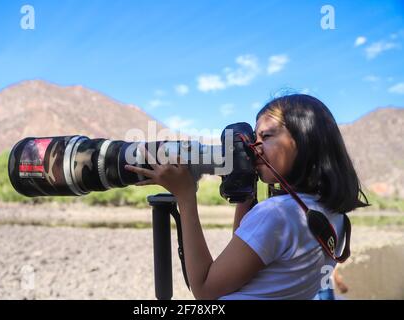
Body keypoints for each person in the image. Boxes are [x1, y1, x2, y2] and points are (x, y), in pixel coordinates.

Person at [124, 94, 368, 300]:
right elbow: (249, 257)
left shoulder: (277, 214)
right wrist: (244, 185)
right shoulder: (331, 213)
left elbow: (205, 290)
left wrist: (185, 196)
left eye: (267, 136)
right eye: (254, 140)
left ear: (304, 141)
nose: (255, 148)